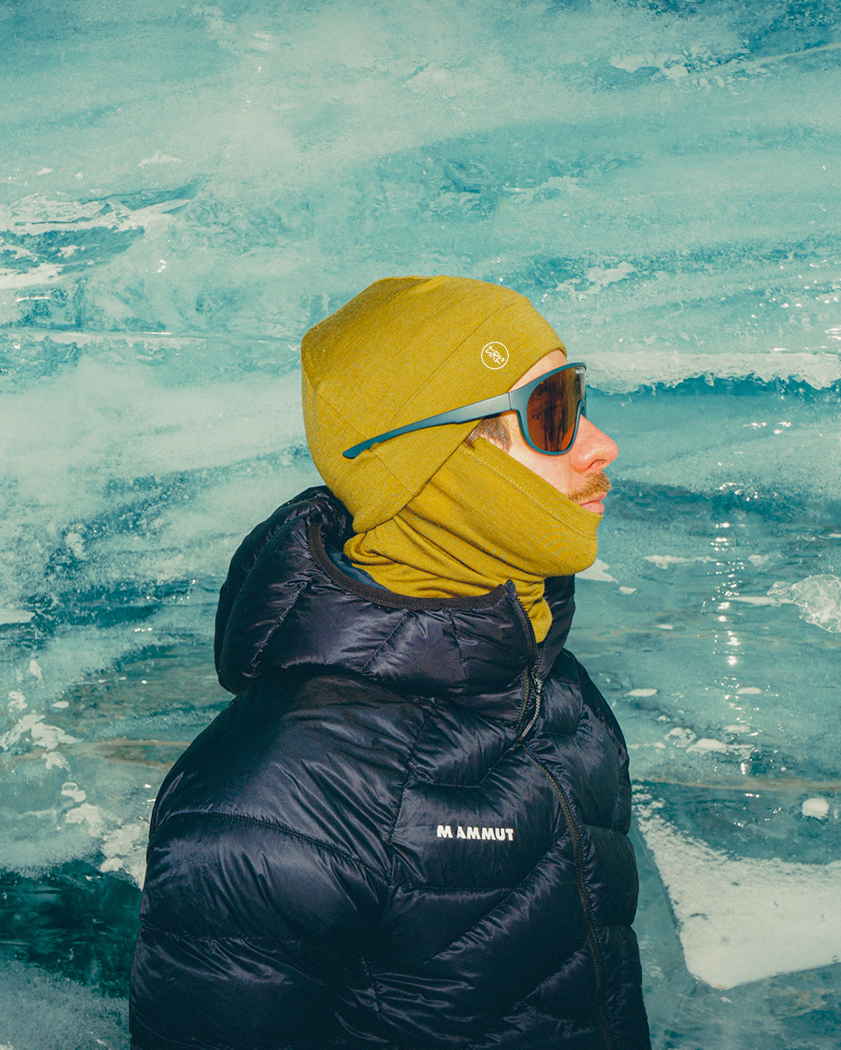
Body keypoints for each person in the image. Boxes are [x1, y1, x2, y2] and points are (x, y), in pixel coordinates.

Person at [130, 276, 651, 1050]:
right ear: (429, 459)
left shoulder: (548, 677)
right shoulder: (274, 796)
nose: (601, 444)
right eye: (552, 412)